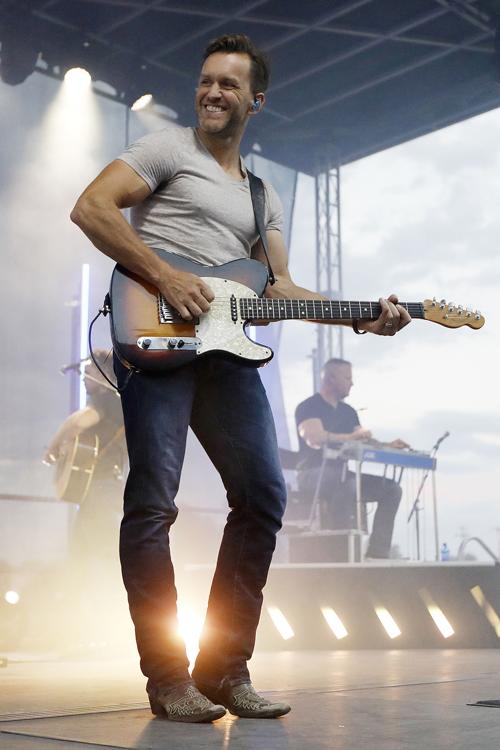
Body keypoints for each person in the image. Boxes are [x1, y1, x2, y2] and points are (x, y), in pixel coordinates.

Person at [70, 34, 411, 723]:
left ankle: (224, 670)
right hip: (157, 338)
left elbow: (279, 288)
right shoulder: (166, 151)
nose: (213, 92)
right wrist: (167, 275)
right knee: (152, 504)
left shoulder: (261, 196)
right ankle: (168, 680)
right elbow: (92, 208)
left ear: (256, 101)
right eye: (206, 80)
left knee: (262, 497)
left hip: (226, 352)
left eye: (229, 84)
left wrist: (361, 315)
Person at [44, 351, 126, 641]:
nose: (83, 377)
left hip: (102, 491)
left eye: (89, 371)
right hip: (98, 491)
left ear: (105, 375)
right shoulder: (115, 403)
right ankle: (84, 631)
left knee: (99, 559)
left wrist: (54, 446)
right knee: (83, 558)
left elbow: (78, 423)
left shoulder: (108, 400)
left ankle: (105, 633)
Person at [295, 358, 409, 559]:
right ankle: (341, 552)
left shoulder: (348, 412)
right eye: (347, 378)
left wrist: (387, 445)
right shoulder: (309, 407)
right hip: (310, 474)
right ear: (331, 378)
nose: (352, 383)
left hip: (343, 476)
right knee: (347, 484)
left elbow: (362, 440)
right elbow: (315, 437)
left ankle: (377, 554)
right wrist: (351, 437)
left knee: (392, 490)